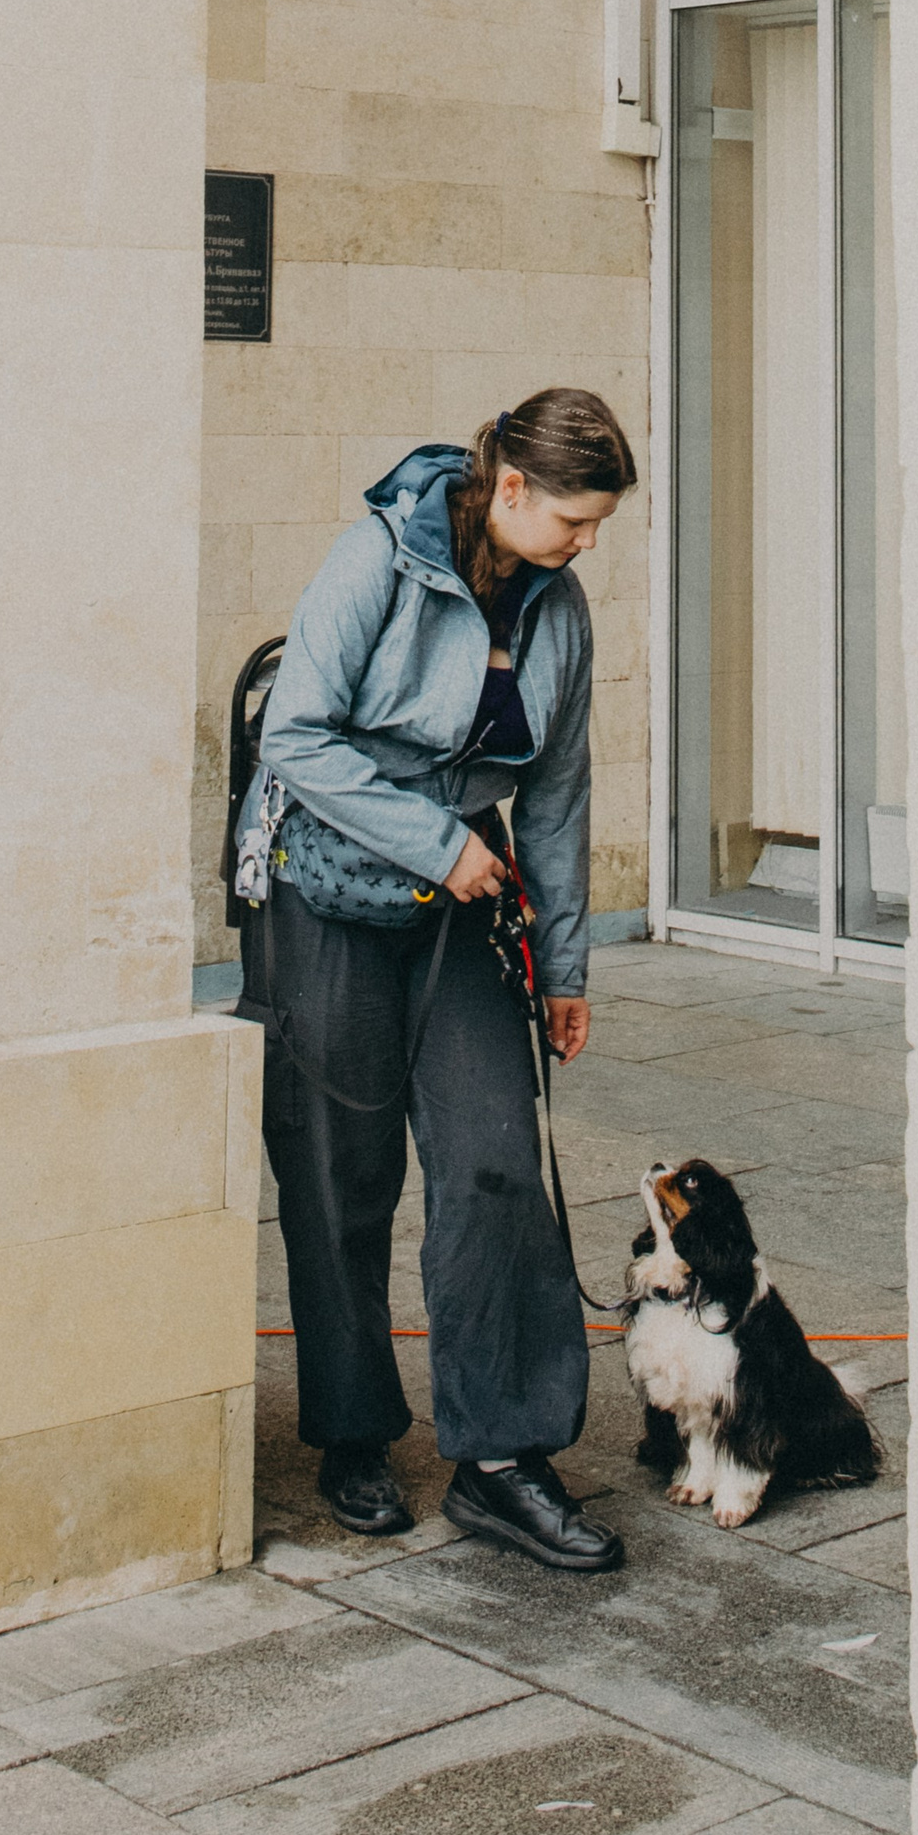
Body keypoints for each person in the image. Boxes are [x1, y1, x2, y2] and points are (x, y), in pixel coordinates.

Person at [234, 387, 637, 1572]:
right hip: (327, 894)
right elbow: (295, 736)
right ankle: (354, 1431)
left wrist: (564, 963)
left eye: (598, 523)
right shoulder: (374, 559)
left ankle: (503, 1459)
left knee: (495, 1158)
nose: (585, 545)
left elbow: (556, 794)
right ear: (509, 488)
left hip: (461, 903)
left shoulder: (559, 609)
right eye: (573, 519)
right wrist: (441, 841)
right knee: (338, 1173)